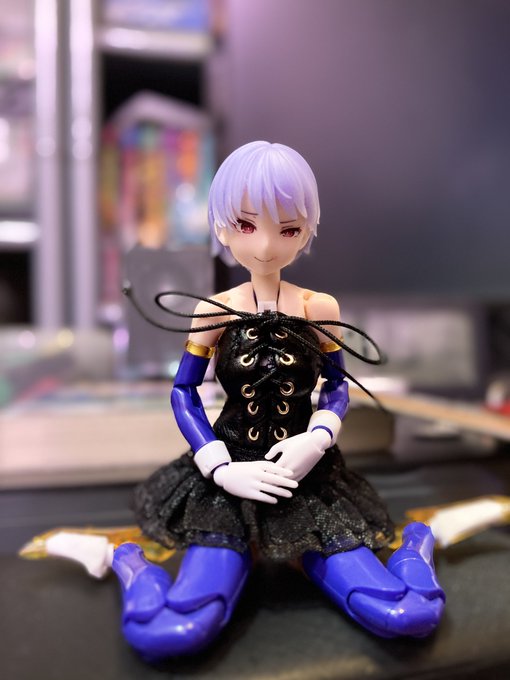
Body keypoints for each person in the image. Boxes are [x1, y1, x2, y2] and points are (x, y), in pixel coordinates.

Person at [116, 141, 445, 660]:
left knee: (406, 613)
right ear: (221, 226)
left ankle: (417, 546)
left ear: (307, 230)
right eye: (246, 225)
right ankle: (130, 564)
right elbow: (184, 391)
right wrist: (218, 464)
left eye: (288, 229)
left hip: (306, 482)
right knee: (172, 628)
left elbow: (336, 386)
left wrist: (317, 438)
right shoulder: (214, 310)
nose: (266, 246)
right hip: (228, 481)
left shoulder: (318, 307)